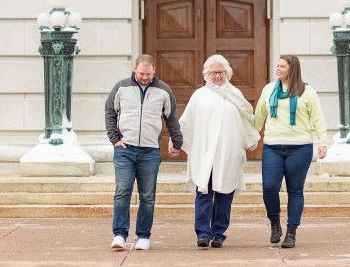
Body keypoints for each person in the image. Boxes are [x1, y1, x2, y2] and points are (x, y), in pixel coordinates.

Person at [178, 55, 260, 249]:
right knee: (203, 192)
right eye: (213, 73)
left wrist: (250, 140)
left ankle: (218, 233)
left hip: (228, 151)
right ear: (207, 74)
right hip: (205, 152)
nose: (217, 76)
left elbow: (246, 119)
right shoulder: (199, 95)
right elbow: (186, 121)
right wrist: (177, 141)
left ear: (227, 73)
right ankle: (203, 233)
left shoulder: (235, 94)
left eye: (220, 72)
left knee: (225, 193)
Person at [104, 54, 183, 251]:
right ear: (134, 69)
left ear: (154, 70)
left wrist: (177, 142)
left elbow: (171, 118)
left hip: (150, 152)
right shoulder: (121, 87)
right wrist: (114, 139)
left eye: (148, 74)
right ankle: (120, 235)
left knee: (148, 196)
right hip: (125, 150)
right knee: (122, 192)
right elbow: (109, 112)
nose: (144, 77)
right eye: (141, 73)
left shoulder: (163, 90)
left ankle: (143, 236)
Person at [252, 54, 327, 249]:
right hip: (272, 147)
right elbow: (259, 116)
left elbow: (318, 118)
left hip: (300, 147)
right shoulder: (269, 89)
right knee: (269, 187)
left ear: (292, 69)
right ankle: (275, 224)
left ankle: (291, 232)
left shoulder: (307, 91)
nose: (278, 69)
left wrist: (322, 142)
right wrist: (249, 137)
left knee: (295, 191)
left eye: (282, 66)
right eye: (277, 66)